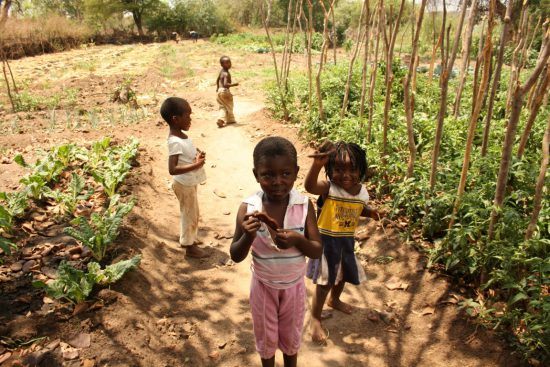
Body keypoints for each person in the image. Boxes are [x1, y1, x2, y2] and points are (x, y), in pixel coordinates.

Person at [230, 137, 322, 367]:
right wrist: (247, 236)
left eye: (285, 174)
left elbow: (317, 250)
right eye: (267, 175)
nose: (277, 181)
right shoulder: (249, 208)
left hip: (294, 287)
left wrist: (298, 240)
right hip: (263, 287)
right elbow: (235, 254)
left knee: (291, 338)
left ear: (296, 172)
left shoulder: (303, 205)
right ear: (256, 175)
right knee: (266, 339)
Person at [304, 141, 382, 343]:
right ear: (329, 170)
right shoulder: (329, 188)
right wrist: (317, 166)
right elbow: (310, 186)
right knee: (325, 282)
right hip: (327, 243)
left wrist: (370, 212)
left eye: (352, 169)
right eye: (338, 169)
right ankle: (315, 317)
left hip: (346, 242)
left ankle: (335, 299)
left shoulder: (362, 192)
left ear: (361, 170)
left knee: (344, 275)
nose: (345, 175)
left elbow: (357, 206)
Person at [160, 97, 209, 258]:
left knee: (193, 212)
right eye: (187, 116)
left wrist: (197, 156)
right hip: (183, 184)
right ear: (175, 119)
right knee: (189, 214)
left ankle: (191, 239)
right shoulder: (174, 141)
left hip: (189, 183)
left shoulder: (182, 136)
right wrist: (197, 165)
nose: (190, 119)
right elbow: (172, 169)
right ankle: (189, 247)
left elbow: (186, 156)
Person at [215, 56, 238, 128]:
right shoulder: (226, 74)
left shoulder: (221, 71)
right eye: (226, 63)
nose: (229, 64)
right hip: (225, 91)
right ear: (222, 65)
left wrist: (217, 88)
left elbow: (217, 79)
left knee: (223, 106)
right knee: (229, 106)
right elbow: (225, 84)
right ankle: (226, 119)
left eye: (229, 62)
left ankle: (226, 119)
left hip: (220, 91)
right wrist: (234, 84)